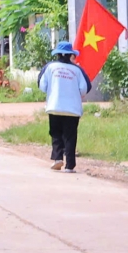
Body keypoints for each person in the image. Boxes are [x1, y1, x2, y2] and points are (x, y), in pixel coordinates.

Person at [38, 41, 92, 173]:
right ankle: (69, 166)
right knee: (70, 136)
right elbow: (85, 88)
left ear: (57, 54)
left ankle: (57, 158)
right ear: (70, 55)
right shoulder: (77, 70)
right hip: (72, 109)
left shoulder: (50, 67)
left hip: (54, 106)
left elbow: (42, 85)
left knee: (56, 133)